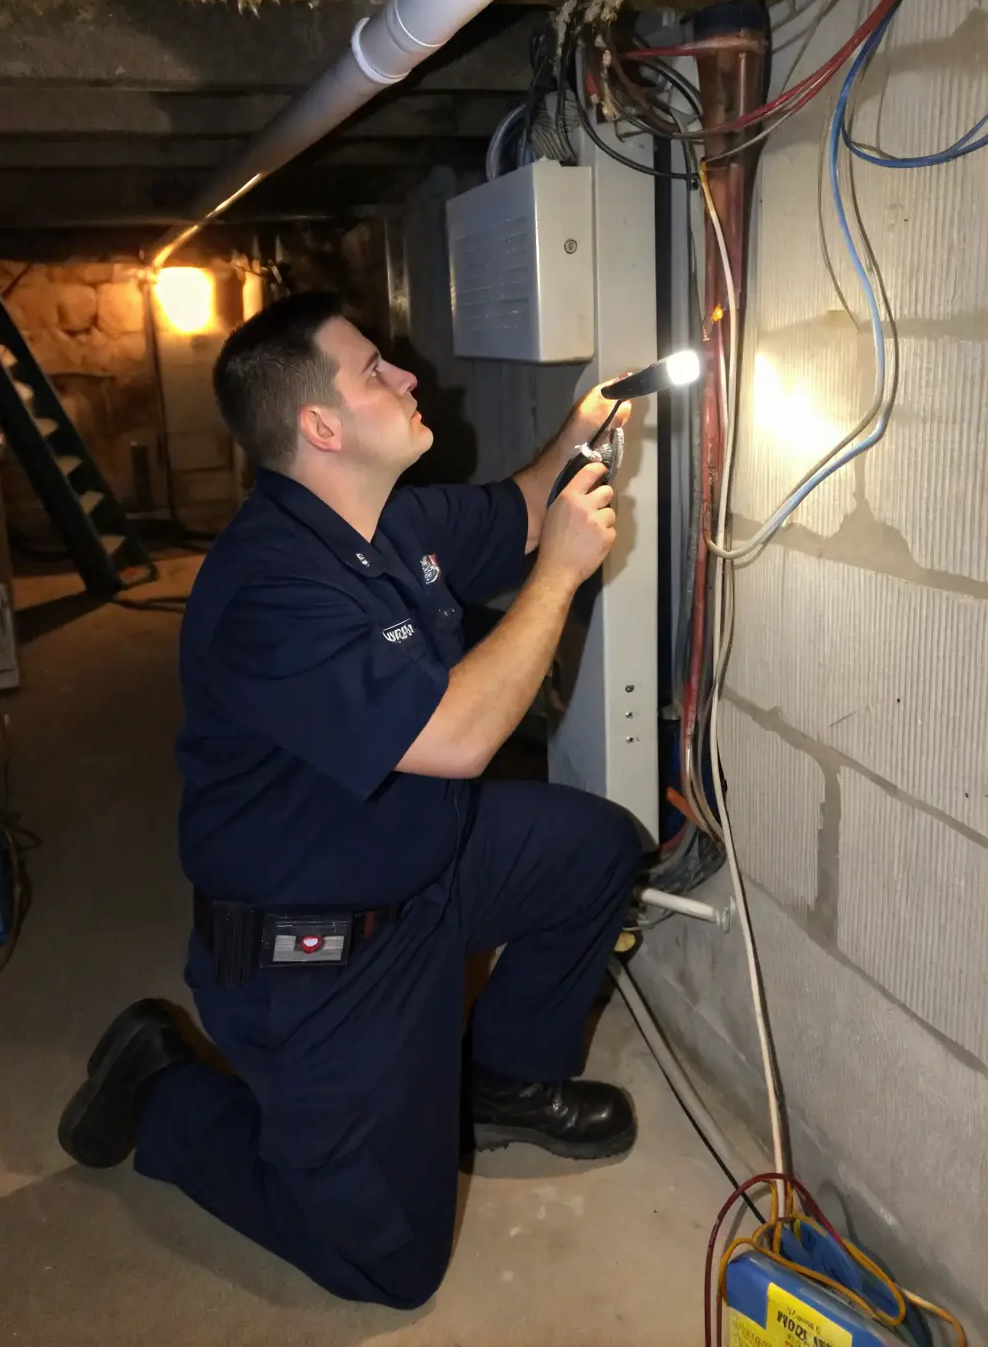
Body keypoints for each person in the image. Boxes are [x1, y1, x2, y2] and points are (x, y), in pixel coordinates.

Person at [58, 291, 647, 1310]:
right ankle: (159, 1088)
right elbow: (459, 738)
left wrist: (583, 420)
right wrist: (558, 576)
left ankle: (504, 1076)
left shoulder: (391, 518)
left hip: (426, 865)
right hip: (320, 948)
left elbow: (518, 502)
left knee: (593, 849)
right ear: (320, 428)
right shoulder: (270, 589)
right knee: (388, 1266)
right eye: (376, 370)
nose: (409, 375)